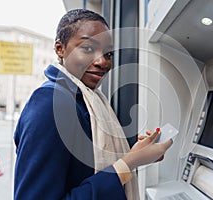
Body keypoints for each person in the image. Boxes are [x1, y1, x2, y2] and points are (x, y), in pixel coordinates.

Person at [13, 9, 173, 200]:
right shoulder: (51, 103)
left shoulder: (86, 99)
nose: (102, 62)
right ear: (60, 48)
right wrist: (128, 163)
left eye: (109, 54)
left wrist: (137, 151)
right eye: (88, 48)